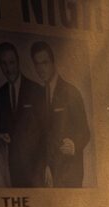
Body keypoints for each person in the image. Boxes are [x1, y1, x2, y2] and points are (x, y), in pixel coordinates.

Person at [31, 40, 89, 187]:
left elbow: (85, 131)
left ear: (53, 62)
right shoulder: (38, 95)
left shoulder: (70, 92)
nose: (41, 68)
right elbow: (43, 135)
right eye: (37, 64)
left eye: (44, 63)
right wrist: (45, 165)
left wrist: (75, 144)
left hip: (69, 172)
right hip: (49, 173)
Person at [0, 41, 46, 188]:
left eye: (11, 62)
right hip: (14, 168)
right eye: (4, 63)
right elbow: (4, 127)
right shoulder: (1, 93)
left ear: (18, 62)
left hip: (36, 168)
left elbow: (45, 130)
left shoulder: (36, 90)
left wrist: (44, 165)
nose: (8, 68)